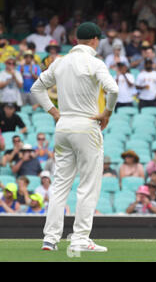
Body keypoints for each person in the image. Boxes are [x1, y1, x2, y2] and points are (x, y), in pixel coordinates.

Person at [31, 21, 119, 252]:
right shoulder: (95, 62)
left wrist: (54, 112)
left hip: (63, 126)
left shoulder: (59, 63)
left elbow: (36, 89)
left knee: (60, 184)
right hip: (87, 126)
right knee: (88, 185)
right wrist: (107, 113)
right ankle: (80, 238)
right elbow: (114, 90)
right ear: (94, 40)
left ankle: (50, 239)